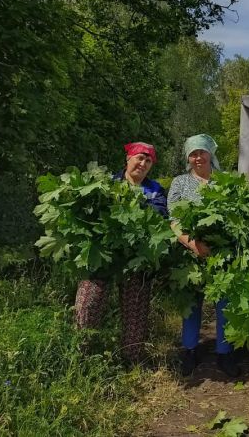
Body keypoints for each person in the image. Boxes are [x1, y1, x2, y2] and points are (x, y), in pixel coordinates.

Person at [74, 141, 168, 363]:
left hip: (137, 260)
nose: (143, 163)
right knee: (89, 304)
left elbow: (160, 218)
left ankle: (132, 361)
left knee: (135, 311)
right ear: (128, 159)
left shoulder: (155, 191)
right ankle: (80, 356)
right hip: (103, 257)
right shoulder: (106, 185)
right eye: (139, 158)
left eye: (148, 160)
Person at [167, 134, 240, 378]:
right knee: (191, 303)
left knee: (225, 302)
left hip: (222, 253)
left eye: (202, 152)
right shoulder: (180, 183)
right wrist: (193, 245)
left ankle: (225, 353)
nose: (198, 157)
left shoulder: (225, 181)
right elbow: (174, 220)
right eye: (193, 154)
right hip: (190, 253)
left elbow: (234, 215)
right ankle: (189, 350)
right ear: (188, 157)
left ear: (211, 154)